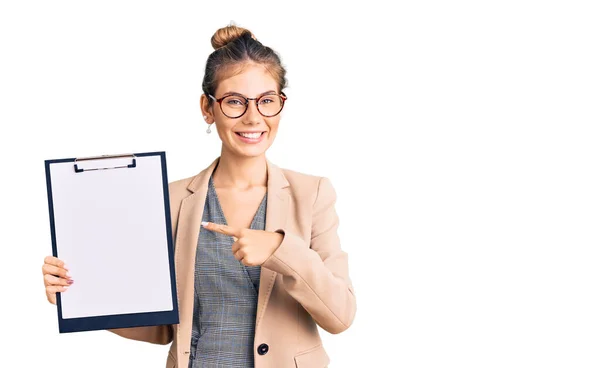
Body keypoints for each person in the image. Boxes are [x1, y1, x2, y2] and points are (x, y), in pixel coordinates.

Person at [41, 24, 356, 368]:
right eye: (235, 102)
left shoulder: (312, 195)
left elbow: (340, 316)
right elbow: (161, 326)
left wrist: (281, 250)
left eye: (267, 101)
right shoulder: (172, 199)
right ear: (208, 108)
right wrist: (78, 295)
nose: (254, 117)